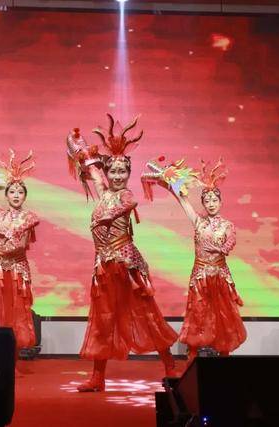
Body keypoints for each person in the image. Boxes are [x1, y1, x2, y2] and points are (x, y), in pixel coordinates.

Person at [66, 114, 178, 392]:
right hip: (103, 268)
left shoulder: (126, 195)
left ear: (128, 174)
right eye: (113, 171)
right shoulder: (104, 191)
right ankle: (98, 378)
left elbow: (128, 204)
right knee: (103, 320)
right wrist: (78, 145)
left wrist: (105, 215)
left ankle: (170, 367)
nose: (117, 176)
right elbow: (92, 169)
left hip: (126, 265)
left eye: (122, 172)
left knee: (146, 314)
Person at [145, 157, 246, 361]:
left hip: (220, 277)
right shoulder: (198, 221)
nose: (211, 204)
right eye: (207, 201)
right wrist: (170, 183)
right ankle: (191, 359)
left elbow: (230, 243)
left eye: (214, 200)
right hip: (200, 277)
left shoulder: (227, 225)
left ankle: (224, 357)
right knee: (197, 315)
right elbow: (182, 200)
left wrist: (220, 248)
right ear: (203, 203)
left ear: (221, 202)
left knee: (223, 316)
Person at [0, 149, 39, 351]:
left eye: (20, 192)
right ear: (6, 195)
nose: (16, 195)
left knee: (15, 314)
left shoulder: (28, 217)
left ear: (25, 196)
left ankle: (13, 356)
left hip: (16, 272)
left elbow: (21, 244)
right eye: (12, 191)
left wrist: (3, 248)